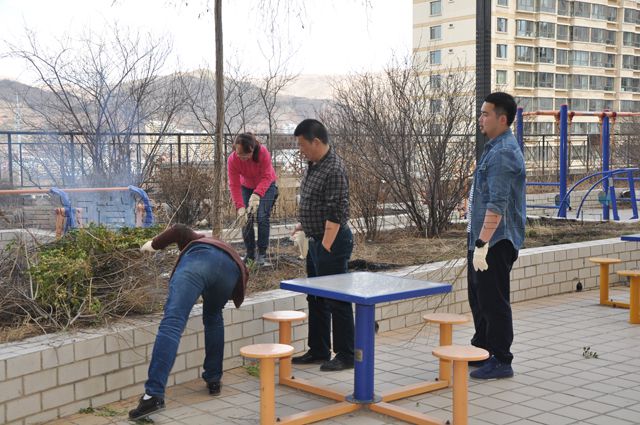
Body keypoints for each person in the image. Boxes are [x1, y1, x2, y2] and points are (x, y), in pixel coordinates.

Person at [128, 224, 249, 420]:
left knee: (172, 324)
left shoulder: (196, 240)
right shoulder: (217, 242)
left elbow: (178, 229)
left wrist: (152, 245)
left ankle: (153, 395)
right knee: (213, 316)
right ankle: (214, 379)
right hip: (230, 268)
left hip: (199, 261)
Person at [467, 92, 526, 380]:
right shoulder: (493, 147)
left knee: (493, 300)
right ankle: (484, 350)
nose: (480, 118)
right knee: (479, 298)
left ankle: (502, 359)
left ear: (502, 119)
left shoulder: (503, 153)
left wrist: (482, 243)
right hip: (483, 238)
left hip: (495, 241)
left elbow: (498, 204)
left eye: (485, 114)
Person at [290, 118, 355, 372]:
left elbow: (336, 210)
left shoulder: (334, 169)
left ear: (316, 141)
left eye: (302, 145)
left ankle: (346, 354)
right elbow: (314, 202)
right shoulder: (314, 165)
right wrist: (303, 226)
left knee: (337, 298)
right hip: (315, 240)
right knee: (316, 297)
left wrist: (326, 244)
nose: (300, 150)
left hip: (332, 242)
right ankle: (318, 349)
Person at [228, 133, 278, 265]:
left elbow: (267, 176)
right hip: (246, 186)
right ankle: (250, 253)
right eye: (238, 154)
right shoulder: (233, 160)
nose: (241, 157)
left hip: (267, 185)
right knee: (246, 218)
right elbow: (234, 184)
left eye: (244, 155)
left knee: (262, 216)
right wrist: (239, 207)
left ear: (252, 149)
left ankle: (262, 253)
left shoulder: (263, 153)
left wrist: (257, 195)